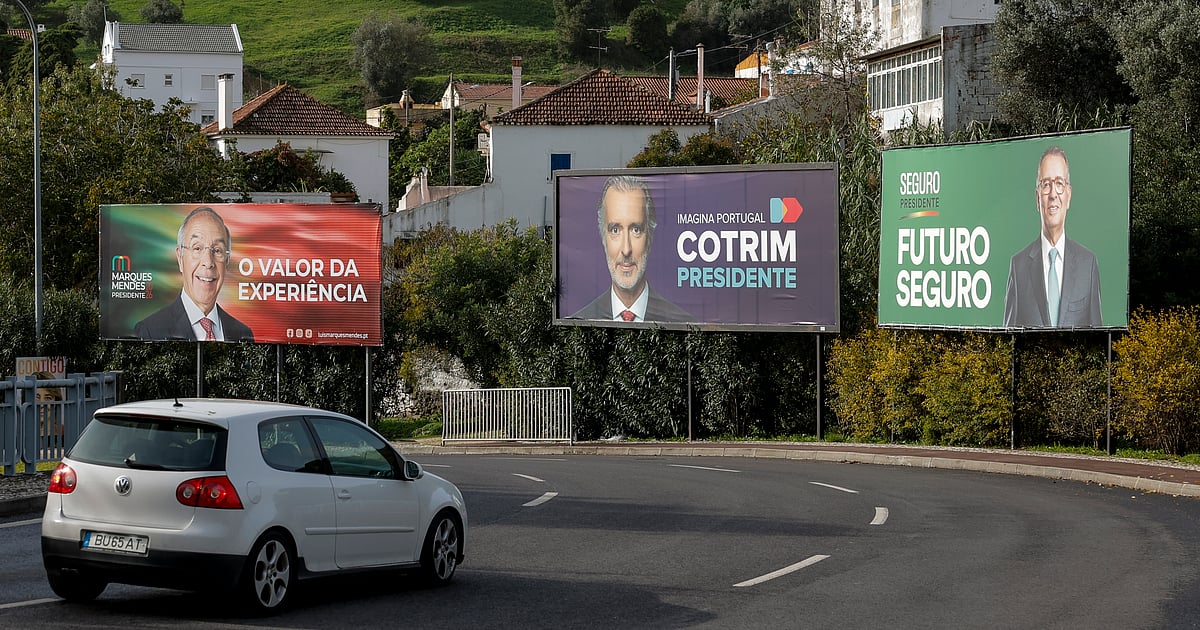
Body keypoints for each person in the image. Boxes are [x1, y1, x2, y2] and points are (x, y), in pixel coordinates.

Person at [570, 175, 694, 323]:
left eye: (636, 229)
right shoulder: (579, 323)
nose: (626, 249)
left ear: (650, 236)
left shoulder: (683, 324)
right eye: (615, 230)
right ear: (604, 238)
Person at [1003, 146, 1102, 328]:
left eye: (1059, 183)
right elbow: (1009, 340)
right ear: (1037, 198)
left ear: (1069, 195)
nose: (1053, 194)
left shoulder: (1088, 265)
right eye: (1046, 184)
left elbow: (1097, 334)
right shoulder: (1019, 266)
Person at [135, 206, 255, 341]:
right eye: (197, 248)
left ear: (227, 261)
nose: (208, 262)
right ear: (180, 258)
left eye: (217, 251)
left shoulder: (243, 334)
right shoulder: (150, 331)